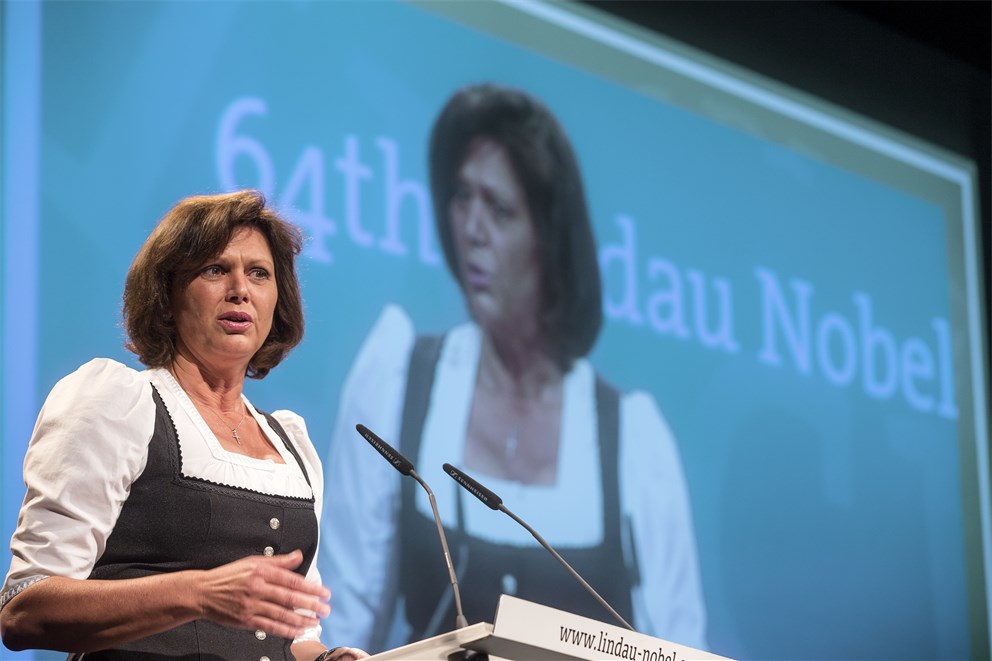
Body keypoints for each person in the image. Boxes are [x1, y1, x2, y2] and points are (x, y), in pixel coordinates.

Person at [320, 83, 707, 652]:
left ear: (549, 242)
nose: (470, 228)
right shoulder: (399, 383)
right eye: (461, 197)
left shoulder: (634, 442)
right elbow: (343, 632)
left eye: (499, 209)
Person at [0, 190, 367, 661]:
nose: (241, 289)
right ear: (167, 297)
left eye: (259, 273)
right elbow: (24, 611)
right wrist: (198, 594)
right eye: (215, 269)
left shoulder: (291, 444)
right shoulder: (118, 404)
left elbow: (293, 634)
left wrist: (325, 657)